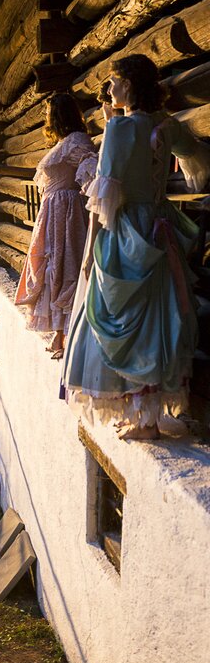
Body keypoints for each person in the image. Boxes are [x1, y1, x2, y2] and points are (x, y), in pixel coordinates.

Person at [63, 54, 210, 440]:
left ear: (128, 84)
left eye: (113, 82)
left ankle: (143, 419)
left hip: (126, 229)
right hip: (159, 228)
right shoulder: (166, 125)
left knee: (119, 316)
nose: (110, 90)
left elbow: (106, 194)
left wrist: (92, 245)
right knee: (158, 318)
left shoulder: (120, 129)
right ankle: (148, 415)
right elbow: (196, 158)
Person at [15, 93, 98, 357]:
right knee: (52, 267)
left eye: (49, 112)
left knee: (63, 267)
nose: (46, 118)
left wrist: (86, 198)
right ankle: (59, 334)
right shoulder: (64, 142)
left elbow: (91, 170)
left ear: (58, 115)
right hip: (53, 212)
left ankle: (66, 334)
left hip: (66, 213)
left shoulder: (76, 141)